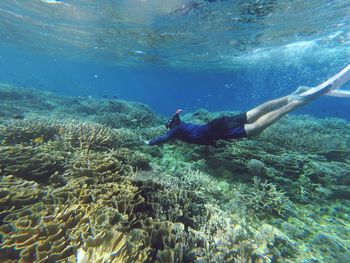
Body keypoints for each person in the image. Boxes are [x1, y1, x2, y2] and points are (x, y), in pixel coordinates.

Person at [147, 65, 350, 146]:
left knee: (257, 127)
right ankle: (292, 95)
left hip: (220, 131)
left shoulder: (177, 132)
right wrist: (175, 115)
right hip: (217, 123)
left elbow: (164, 137)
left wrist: (148, 143)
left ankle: (295, 103)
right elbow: (178, 122)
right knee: (257, 110)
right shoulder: (183, 126)